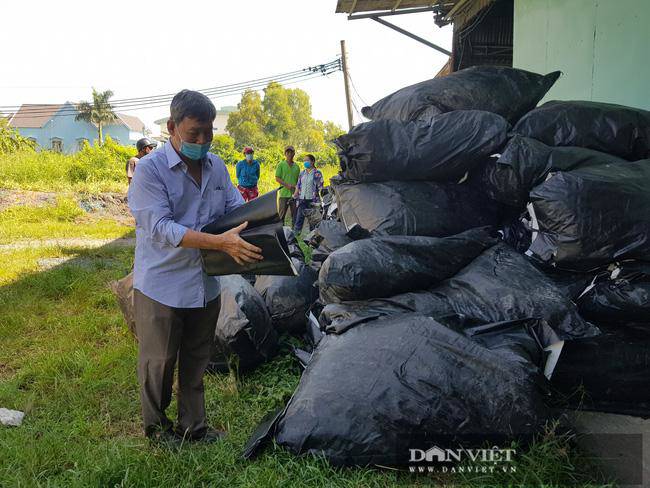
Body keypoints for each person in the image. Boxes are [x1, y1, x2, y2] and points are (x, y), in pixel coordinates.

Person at [127, 90, 263, 445]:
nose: (202, 141)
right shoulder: (149, 171)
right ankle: (157, 430)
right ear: (172, 127)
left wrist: (265, 224)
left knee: (196, 359)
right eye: (193, 134)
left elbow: (234, 208)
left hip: (205, 283)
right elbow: (159, 227)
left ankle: (194, 427)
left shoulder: (216, 166)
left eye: (209, 133)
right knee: (158, 362)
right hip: (162, 284)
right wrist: (220, 242)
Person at [293, 154, 324, 235]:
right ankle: (296, 233)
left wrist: (322, 199)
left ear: (313, 161)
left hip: (312, 199)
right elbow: (298, 184)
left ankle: (312, 234)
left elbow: (320, 186)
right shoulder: (302, 173)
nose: (305, 162)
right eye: (304, 160)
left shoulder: (317, 173)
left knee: (312, 218)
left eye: (307, 160)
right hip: (302, 198)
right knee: (299, 216)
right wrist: (295, 194)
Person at [275, 145, 300, 225]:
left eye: (291, 152)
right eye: (287, 152)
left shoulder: (297, 167)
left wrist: (297, 189)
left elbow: (298, 181)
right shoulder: (281, 165)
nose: (289, 154)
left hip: (294, 194)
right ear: (285, 154)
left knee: (295, 214)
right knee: (281, 215)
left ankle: (294, 232)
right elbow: (277, 178)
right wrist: (286, 185)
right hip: (283, 194)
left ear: (294, 153)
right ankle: (280, 231)